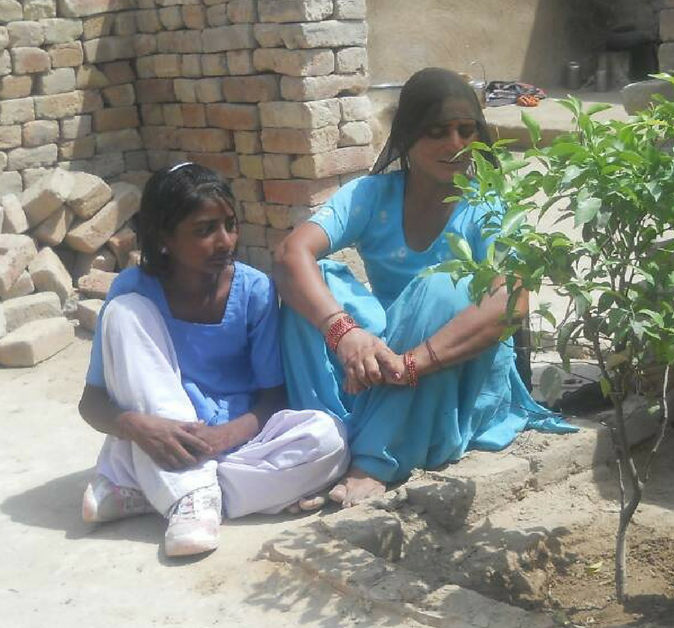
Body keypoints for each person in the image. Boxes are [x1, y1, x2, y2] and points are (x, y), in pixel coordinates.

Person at [274, 67, 575, 508]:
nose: (454, 144)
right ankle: (329, 440)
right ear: (409, 137)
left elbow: (512, 300)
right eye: (437, 131)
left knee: (445, 288)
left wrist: (411, 364)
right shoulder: (370, 196)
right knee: (313, 284)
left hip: (444, 364)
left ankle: (373, 460)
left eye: (465, 130)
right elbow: (290, 255)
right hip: (378, 358)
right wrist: (346, 333)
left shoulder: (488, 206)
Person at [78, 163, 349, 557]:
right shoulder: (132, 291)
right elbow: (92, 403)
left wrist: (225, 436)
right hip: (165, 436)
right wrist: (138, 428)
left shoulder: (254, 290)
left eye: (229, 224)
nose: (225, 241)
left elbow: (273, 397)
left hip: (234, 440)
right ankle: (191, 497)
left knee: (331, 439)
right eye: (204, 230)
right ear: (164, 237)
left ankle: (147, 487)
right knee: (124, 313)